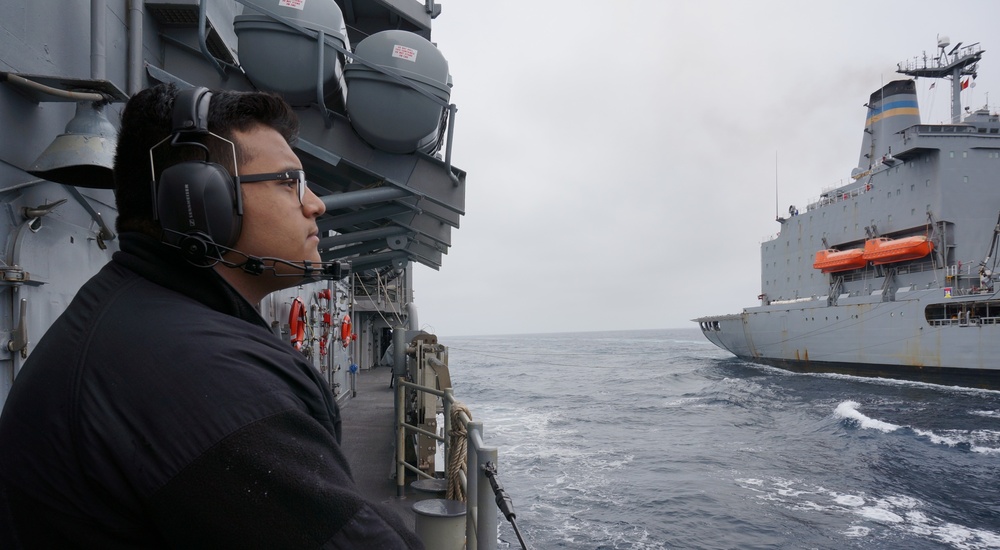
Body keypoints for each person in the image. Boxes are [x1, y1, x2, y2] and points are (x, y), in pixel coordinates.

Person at [0, 84, 423, 548]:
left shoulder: (137, 318)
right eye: (289, 182)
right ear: (201, 201)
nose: (315, 204)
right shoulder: (198, 378)